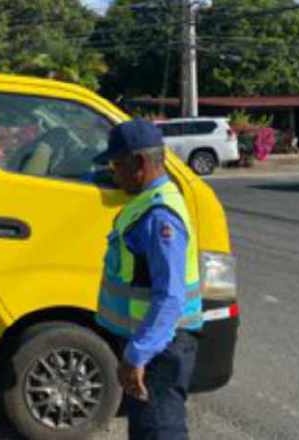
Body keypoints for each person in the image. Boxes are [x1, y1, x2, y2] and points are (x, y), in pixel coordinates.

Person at [93, 119, 203, 440]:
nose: (114, 174)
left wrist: (137, 354)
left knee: (159, 429)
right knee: (146, 427)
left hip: (160, 345)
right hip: (152, 339)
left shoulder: (160, 216)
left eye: (117, 165)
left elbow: (169, 296)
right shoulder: (145, 202)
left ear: (139, 163)